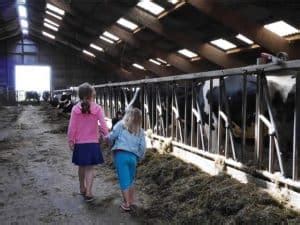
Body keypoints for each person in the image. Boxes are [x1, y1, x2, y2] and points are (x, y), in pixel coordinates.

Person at [67, 82, 108, 202]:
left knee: (81, 167)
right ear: (91, 94)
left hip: (80, 143)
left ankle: (82, 187)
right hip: (93, 143)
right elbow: (103, 125)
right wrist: (107, 136)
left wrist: (71, 140)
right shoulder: (97, 108)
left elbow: (72, 127)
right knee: (90, 168)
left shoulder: (75, 108)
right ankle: (89, 191)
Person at [107, 108, 146, 211]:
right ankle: (132, 200)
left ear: (127, 116)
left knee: (124, 180)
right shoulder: (140, 131)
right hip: (133, 157)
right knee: (131, 179)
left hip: (121, 155)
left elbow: (112, 136)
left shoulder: (121, 125)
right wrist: (140, 156)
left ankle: (126, 203)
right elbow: (143, 146)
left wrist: (108, 141)